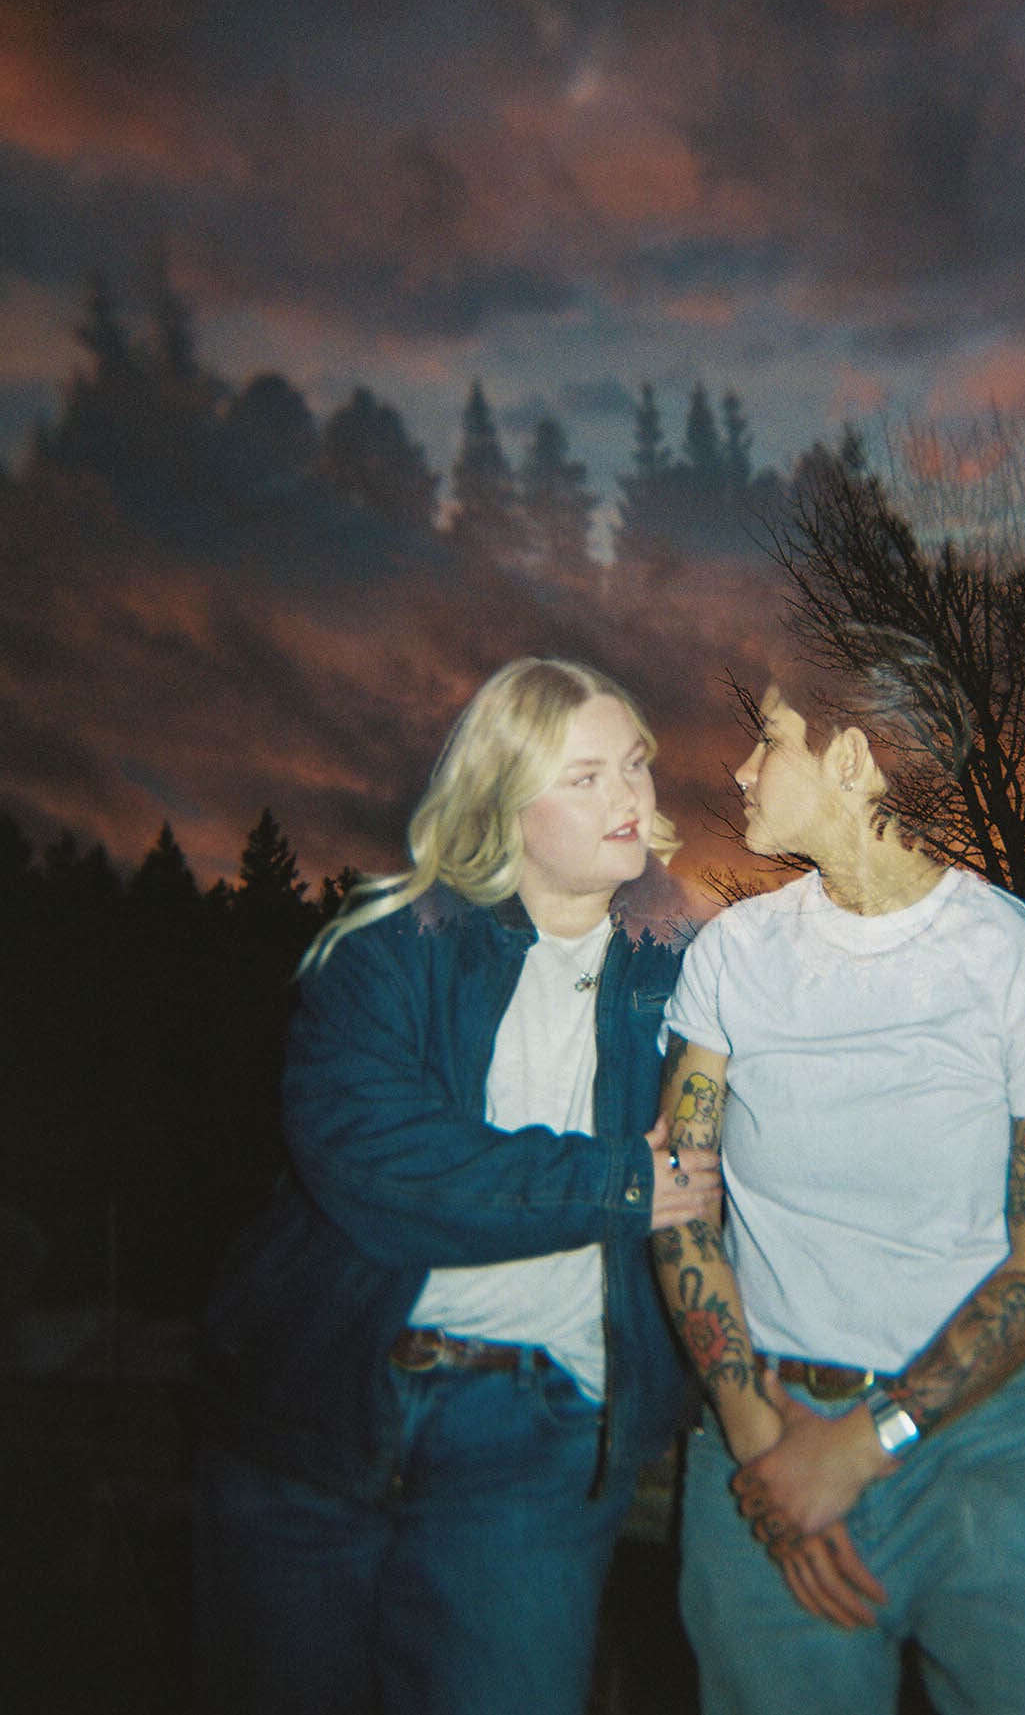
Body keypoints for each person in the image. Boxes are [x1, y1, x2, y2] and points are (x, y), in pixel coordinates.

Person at [193, 656, 720, 1715]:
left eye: (635, 764)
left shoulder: (692, 973)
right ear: (504, 802)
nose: (628, 796)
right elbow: (374, 1164)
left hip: (539, 1438)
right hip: (317, 1402)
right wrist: (623, 1180)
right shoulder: (394, 947)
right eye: (584, 777)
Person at [653, 657, 1025, 1714]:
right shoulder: (732, 954)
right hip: (764, 1412)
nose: (742, 768)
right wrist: (765, 1446)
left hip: (985, 1435)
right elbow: (680, 1205)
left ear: (849, 760)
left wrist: (863, 1444)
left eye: (769, 738)